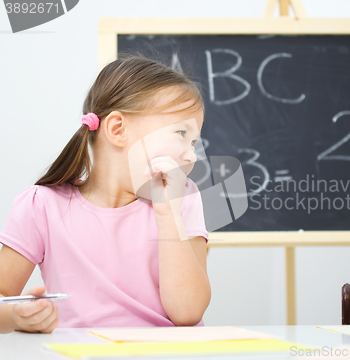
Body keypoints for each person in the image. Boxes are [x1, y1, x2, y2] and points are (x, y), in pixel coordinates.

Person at [0, 55, 211, 333]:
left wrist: (166, 212)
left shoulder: (182, 198)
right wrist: (16, 316)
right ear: (117, 129)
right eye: (181, 133)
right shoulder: (41, 205)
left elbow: (188, 312)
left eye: (194, 141)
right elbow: (4, 297)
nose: (192, 154)